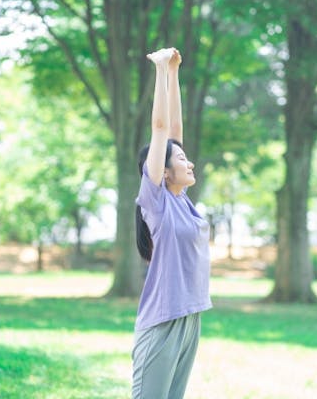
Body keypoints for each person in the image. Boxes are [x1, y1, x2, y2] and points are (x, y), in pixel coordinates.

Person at [132, 47, 212, 399]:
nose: (190, 162)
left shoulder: (182, 201)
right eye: (181, 159)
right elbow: (162, 129)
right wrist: (160, 70)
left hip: (190, 317)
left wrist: (175, 72)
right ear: (162, 172)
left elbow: (174, 130)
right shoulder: (157, 201)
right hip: (162, 322)